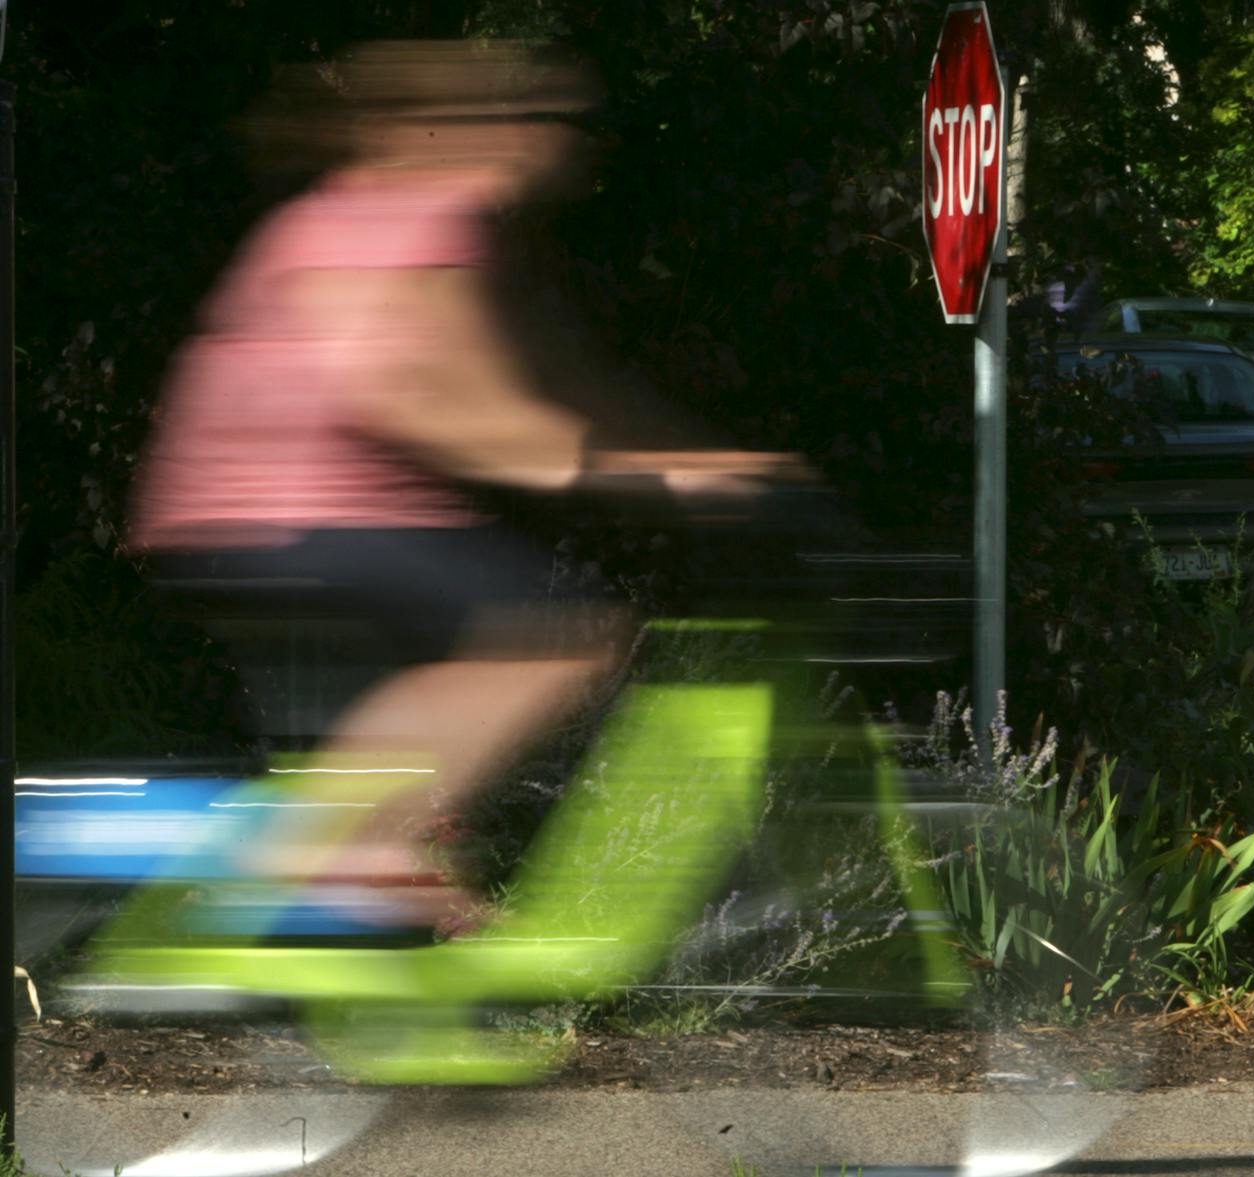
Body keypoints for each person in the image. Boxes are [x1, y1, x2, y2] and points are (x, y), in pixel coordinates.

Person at [128, 40, 804, 926]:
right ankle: (357, 846)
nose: (562, 145)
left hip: (261, 510)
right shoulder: (412, 219)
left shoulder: (368, 215)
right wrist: (644, 469)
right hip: (283, 511)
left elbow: (535, 396)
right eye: (543, 123)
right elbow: (422, 398)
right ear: (475, 132)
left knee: (484, 652)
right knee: (561, 634)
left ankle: (368, 877)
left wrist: (662, 458)